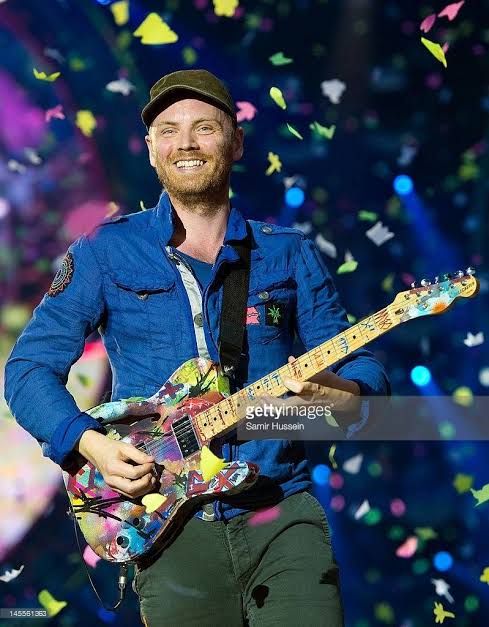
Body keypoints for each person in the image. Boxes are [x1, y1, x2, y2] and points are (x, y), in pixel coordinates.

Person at [4, 69, 391, 626]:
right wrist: (91, 446)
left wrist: (345, 395)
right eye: (169, 130)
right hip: (169, 529)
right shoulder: (104, 252)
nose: (185, 143)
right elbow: (27, 369)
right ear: (151, 149)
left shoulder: (287, 252)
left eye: (204, 128)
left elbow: (359, 367)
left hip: (281, 511)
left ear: (236, 142)